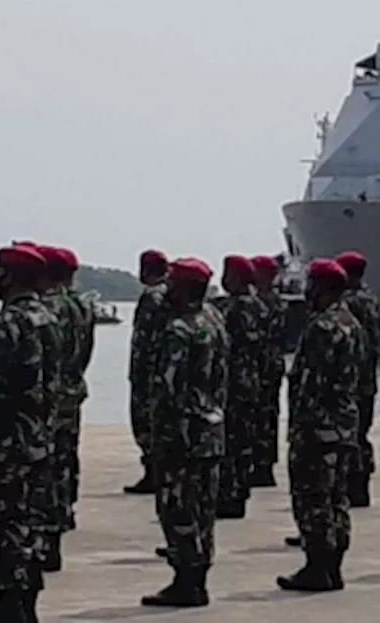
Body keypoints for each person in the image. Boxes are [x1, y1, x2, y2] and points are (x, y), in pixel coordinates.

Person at [0, 246, 58, 621]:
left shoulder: (5, 323)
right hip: (38, 436)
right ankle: (26, 601)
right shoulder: (49, 319)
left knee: (5, 521)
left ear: (11, 277)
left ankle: (10, 604)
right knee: (29, 521)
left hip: (8, 437)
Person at [142, 257, 227, 608]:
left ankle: (186, 581)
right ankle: (198, 577)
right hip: (210, 428)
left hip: (180, 434)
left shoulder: (178, 329)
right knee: (203, 509)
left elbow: (167, 387)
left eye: (173, 282)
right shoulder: (214, 321)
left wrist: (156, 432)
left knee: (177, 507)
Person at [278, 258, 364, 590]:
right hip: (343, 426)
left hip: (317, 428)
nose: (307, 290)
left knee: (312, 498)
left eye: (312, 284)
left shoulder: (322, 327)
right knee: (336, 499)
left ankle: (317, 566)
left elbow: (310, 384)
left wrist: (300, 429)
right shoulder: (351, 323)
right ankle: (333, 566)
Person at [39, 246, 92, 573]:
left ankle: (50, 533)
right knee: (66, 457)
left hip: (50, 395)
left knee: (46, 466)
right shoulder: (82, 306)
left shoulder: (50, 308)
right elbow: (85, 350)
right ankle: (66, 510)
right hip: (72, 389)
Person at [212, 255, 266, 519]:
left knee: (232, 441)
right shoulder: (259, 306)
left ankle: (231, 495)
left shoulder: (235, 309)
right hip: (251, 380)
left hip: (233, 382)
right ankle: (239, 491)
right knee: (243, 439)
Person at [334, 251, 380, 508]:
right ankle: (361, 486)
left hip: (349, 380)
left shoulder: (348, 304)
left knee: (345, 437)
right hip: (368, 380)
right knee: (361, 434)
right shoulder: (373, 301)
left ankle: (347, 488)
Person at [125, 249, 169, 494]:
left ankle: (152, 472)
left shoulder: (152, 297)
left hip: (146, 371)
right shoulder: (165, 295)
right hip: (154, 370)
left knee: (144, 423)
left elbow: (146, 338)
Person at [249, 255, 288, 488]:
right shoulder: (277, 302)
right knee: (267, 416)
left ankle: (261, 465)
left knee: (259, 416)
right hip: (271, 365)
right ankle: (264, 464)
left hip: (261, 367)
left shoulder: (263, 303)